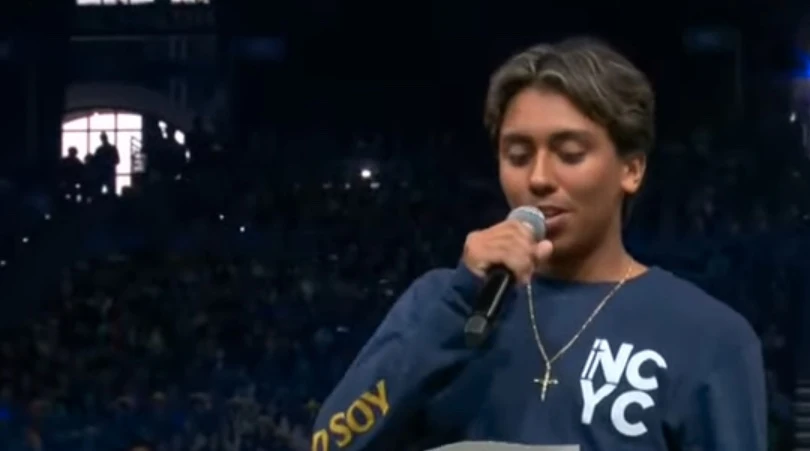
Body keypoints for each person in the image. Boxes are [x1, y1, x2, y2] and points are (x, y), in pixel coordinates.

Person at [311, 37, 767, 451]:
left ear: (631, 170)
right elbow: (330, 444)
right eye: (517, 155)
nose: (539, 178)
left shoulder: (708, 338)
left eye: (570, 154)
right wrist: (457, 305)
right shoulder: (438, 302)